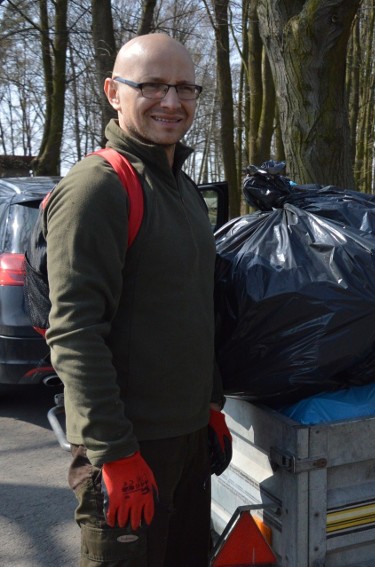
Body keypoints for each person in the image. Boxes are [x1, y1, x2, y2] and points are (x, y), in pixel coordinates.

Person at [44, 34, 231, 566]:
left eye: (184, 88)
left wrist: (210, 405)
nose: (171, 102)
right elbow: (75, 332)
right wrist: (114, 451)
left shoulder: (184, 190)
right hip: (129, 451)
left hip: (188, 442)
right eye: (151, 85)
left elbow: (196, 308)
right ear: (113, 92)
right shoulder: (97, 187)